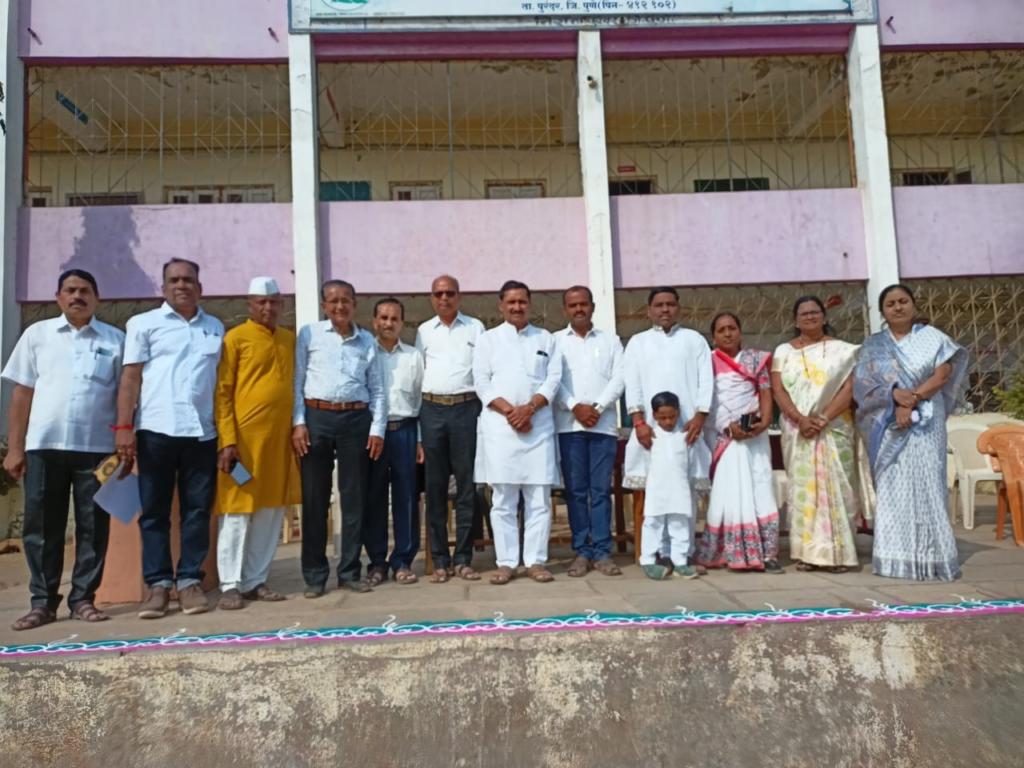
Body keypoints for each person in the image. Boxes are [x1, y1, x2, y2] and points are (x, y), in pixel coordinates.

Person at [2, 270, 123, 630]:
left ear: (97, 297)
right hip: (44, 446)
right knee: (41, 527)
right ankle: (42, 602)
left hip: (98, 450)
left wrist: (125, 442)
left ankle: (84, 598)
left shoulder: (115, 340)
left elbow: (126, 396)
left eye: (85, 290)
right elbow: (22, 395)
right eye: (70, 290)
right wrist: (15, 448)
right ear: (58, 297)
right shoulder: (37, 335)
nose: (77, 296)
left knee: (94, 526)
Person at [116, 259, 225, 619]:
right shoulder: (143, 324)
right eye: (174, 280)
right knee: (154, 513)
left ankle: (190, 581)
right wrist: (124, 427)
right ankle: (158, 585)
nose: (181, 285)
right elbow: (130, 379)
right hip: (155, 431)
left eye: (188, 280)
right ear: (163, 288)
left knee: (197, 511)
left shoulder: (215, 327)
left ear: (199, 287)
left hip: (202, 433)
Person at [854, 284, 967, 581]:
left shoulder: (933, 338)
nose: (898, 307)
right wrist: (894, 396)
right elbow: (863, 385)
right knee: (893, 488)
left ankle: (934, 557)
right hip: (888, 424)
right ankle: (894, 559)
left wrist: (912, 399)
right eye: (890, 304)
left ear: (914, 305)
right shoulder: (873, 346)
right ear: (882, 311)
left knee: (928, 483)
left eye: (903, 301)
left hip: (927, 423)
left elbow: (942, 375)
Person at [292, 280, 386, 598]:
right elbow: (297, 381)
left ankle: (349, 572)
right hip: (316, 417)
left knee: (354, 498)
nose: (340, 306)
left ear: (354, 304)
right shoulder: (309, 334)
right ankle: (315, 575)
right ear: (324, 306)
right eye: (333, 301)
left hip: (356, 420)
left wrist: (377, 429)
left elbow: (377, 389)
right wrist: (298, 422)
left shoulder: (367, 341)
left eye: (345, 300)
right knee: (315, 498)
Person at [213, 277, 301, 610]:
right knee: (237, 511)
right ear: (249, 305)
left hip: (278, 443)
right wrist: (227, 440)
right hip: (243, 445)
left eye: (274, 302)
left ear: (282, 305)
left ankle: (254, 580)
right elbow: (223, 393)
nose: (268, 308)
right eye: (261, 302)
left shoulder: (289, 340)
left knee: (271, 511)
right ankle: (230, 584)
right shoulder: (235, 339)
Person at [473, 280, 562, 585]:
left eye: (522, 301)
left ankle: (536, 561)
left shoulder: (546, 338)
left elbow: (553, 380)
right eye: (510, 302)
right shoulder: (487, 340)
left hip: (538, 427)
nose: (516, 307)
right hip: (501, 429)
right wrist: (512, 412)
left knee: (539, 499)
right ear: (501, 305)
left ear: (530, 304)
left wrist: (530, 409)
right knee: (503, 500)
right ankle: (507, 562)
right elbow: (481, 383)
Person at [771, 296, 867, 574]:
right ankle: (807, 553)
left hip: (835, 428)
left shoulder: (844, 351)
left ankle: (839, 553)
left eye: (815, 312)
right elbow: (778, 389)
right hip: (797, 430)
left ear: (824, 316)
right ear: (795, 320)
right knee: (804, 492)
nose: (810, 316)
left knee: (840, 489)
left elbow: (849, 388)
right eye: (804, 313)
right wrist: (800, 418)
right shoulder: (783, 351)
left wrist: (824, 418)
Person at [623, 286, 713, 571]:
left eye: (671, 304)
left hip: (687, 430)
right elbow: (632, 384)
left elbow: (706, 380)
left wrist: (700, 416)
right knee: (655, 495)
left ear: (679, 308)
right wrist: (638, 421)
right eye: (659, 305)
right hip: (650, 432)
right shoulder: (638, 342)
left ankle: (683, 553)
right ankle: (657, 554)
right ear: (649, 310)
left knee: (685, 494)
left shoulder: (694, 340)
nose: (665, 309)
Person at [696, 313, 782, 574]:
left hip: (755, 434)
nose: (727, 333)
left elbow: (765, 391)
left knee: (760, 487)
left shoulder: (756, 359)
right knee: (729, 490)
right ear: (713, 336)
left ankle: (767, 553)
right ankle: (728, 552)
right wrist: (728, 426)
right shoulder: (707, 362)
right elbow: (706, 400)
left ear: (740, 331)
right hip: (724, 436)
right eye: (721, 330)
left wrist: (764, 421)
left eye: (732, 328)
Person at [415, 275, 485, 583]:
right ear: (432, 298)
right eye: (438, 293)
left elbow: (483, 372)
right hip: (431, 410)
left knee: (467, 488)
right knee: (435, 488)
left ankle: (464, 559)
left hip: (466, 409)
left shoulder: (475, 328)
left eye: (450, 293)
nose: (444, 298)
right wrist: (419, 433)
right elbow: (418, 377)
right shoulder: (423, 331)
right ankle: (440, 560)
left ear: (459, 296)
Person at [554, 285, 625, 578]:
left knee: (600, 491)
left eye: (583, 304)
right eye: (573, 305)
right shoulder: (555, 341)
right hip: (569, 426)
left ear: (592, 307)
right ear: (565, 310)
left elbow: (620, 377)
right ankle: (582, 551)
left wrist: (597, 407)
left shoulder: (611, 341)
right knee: (575, 492)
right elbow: (553, 381)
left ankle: (603, 551)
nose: (578, 309)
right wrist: (575, 406)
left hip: (602, 426)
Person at [364, 298, 425, 587]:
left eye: (394, 319)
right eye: (384, 318)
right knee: (373, 498)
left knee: (407, 497)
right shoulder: (365, 353)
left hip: (406, 432)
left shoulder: (413, 356)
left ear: (402, 323)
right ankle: (377, 561)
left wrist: (420, 439)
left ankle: (402, 561)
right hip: (372, 435)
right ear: (375, 321)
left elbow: (422, 400)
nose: (388, 324)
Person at [640, 392, 698, 581]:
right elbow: (643, 462)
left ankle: (680, 562)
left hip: (679, 488)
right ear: (655, 415)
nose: (668, 422)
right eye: (663, 417)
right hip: (656, 488)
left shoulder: (685, 436)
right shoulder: (649, 436)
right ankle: (648, 560)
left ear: (678, 413)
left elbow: (693, 463)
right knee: (652, 523)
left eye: (672, 417)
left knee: (679, 524)